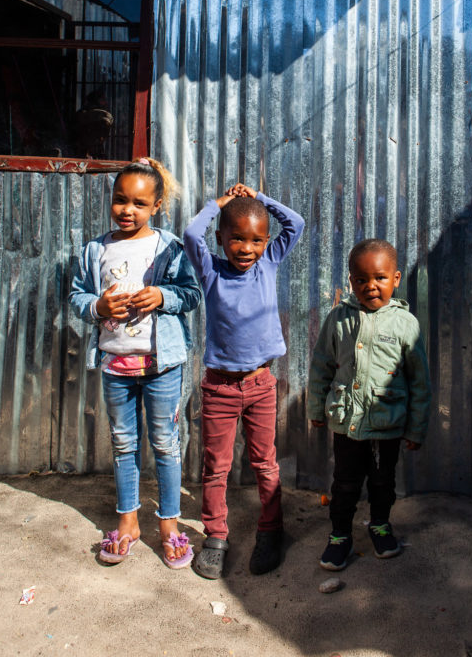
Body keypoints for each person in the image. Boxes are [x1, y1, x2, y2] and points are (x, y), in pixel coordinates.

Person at [70, 158, 201, 568]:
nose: (128, 210)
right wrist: (97, 305)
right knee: (124, 444)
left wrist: (163, 296)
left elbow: (192, 293)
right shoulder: (95, 250)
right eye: (120, 200)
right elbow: (77, 297)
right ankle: (128, 522)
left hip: (162, 365)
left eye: (139, 203)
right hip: (116, 367)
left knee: (165, 444)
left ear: (157, 206)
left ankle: (169, 525)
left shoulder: (169, 247)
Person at [183, 183, 305, 578]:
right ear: (221, 239)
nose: (246, 248)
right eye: (236, 238)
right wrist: (219, 204)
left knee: (265, 464)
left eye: (255, 240)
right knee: (215, 468)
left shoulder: (268, 263)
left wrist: (261, 199)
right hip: (219, 388)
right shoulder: (211, 271)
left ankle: (270, 531)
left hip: (260, 385)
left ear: (266, 242)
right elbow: (189, 234)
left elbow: (297, 224)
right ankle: (216, 537)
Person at [307, 238, 432, 571]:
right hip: (347, 421)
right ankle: (339, 535)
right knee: (344, 483)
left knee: (382, 480)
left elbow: (420, 382)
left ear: (396, 279)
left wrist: (416, 428)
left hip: (387, 424)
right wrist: (316, 408)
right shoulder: (338, 319)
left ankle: (380, 524)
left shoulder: (406, 325)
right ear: (351, 281)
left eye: (379, 277)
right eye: (360, 279)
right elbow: (321, 365)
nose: (370, 286)